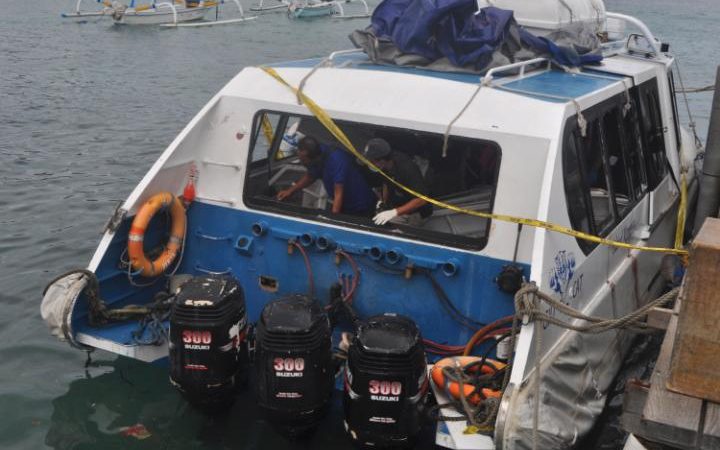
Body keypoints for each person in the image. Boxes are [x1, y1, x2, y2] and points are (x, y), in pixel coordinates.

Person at [276, 136, 377, 216]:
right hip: (343, 205)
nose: (302, 162)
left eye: (304, 160)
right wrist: (290, 191)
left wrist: (332, 221)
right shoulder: (318, 152)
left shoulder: (337, 160)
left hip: (360, 205)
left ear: (314, 158)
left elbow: (339, 193)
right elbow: (311, 176)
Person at [363, 138, 433, 226]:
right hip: (399, 201)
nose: (369, 164)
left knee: (387, 226)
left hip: (418, 210)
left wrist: (394, 213)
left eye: (371, 161)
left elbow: (422, 199)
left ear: (381, 161)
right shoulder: (384, 166)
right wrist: (383, 201)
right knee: (377, 215)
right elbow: (386, 182)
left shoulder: (406, 169)